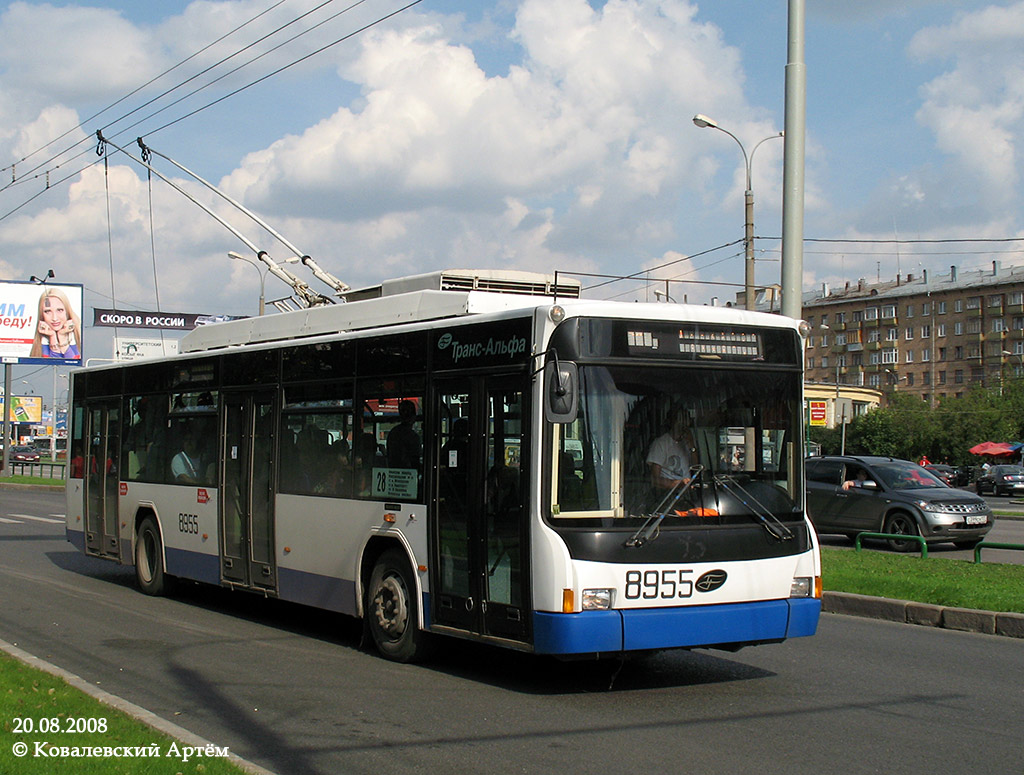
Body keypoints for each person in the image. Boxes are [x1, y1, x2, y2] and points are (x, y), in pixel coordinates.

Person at [647, 409, 695, 491]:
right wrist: (678, 484)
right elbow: (655, 480)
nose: (683, 424)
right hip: (668, 495)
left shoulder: (688, 443)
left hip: (688, 492)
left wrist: (692, 445)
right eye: (680, 420)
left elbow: (696, 467)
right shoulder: (661, 443)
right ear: (672, 422)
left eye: (686, 420)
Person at [29, 287, 81, 359]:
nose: (54, 318)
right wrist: (52, 337)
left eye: (59, 310)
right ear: (42, 315)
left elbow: (72, 364)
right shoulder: (39, 341)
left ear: (67, 311)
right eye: (48, 311)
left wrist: (62, 337)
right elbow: (52, 366)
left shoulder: (79, 334)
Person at [386, 399, 421, 470]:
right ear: (413, 417)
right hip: (408, 475)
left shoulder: (393, 432)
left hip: (393, 473)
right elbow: (414, 463)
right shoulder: (413, 436)